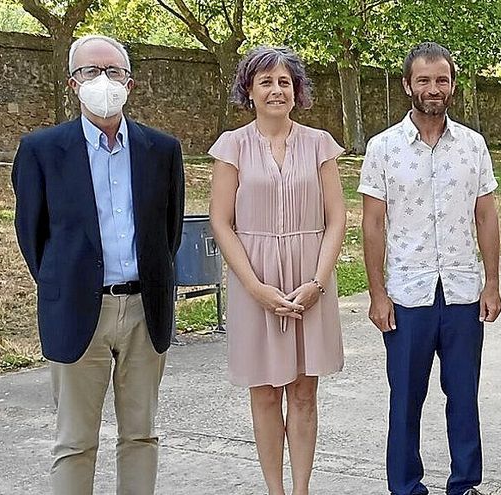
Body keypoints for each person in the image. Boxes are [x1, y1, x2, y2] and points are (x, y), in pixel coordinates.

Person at [12, 35, 185, 494]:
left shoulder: (162, 150)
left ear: (130, 82)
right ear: (73, 83)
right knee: (74, 441)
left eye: (114, 71)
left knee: (141, 435)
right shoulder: (42, 150)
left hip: (144, 312)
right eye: (92, 71)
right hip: (77, 309)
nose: (103, 81)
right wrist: (64, 283)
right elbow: (34, 236)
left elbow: (169, 233)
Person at [359, 41, 501, 495]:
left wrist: (493, 283)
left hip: (461, 291)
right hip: (407, 294)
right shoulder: (382, 149)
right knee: (406, 399)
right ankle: (405, 486)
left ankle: (464, 484)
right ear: (408, 86)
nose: (433, 88)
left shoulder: (473, 147)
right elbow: (373, 222)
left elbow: (486, 215)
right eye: (423, 80)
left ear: (452, 86)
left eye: (441, 80)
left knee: (463, 397)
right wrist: (377, 294)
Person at [208, 45, 346, 495]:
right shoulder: (232, 146)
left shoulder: (320, 144)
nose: (276, 89)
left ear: (297, 90)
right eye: (265, 81)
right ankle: (275, 490)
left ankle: (301, 489)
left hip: (310, 278)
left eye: (284, 81)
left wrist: (317, 283)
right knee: (265, 393)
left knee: (304, 393)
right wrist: (255, 288)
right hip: (255, 281)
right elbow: (220, 222)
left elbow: (336, 219)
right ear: (248, 89)